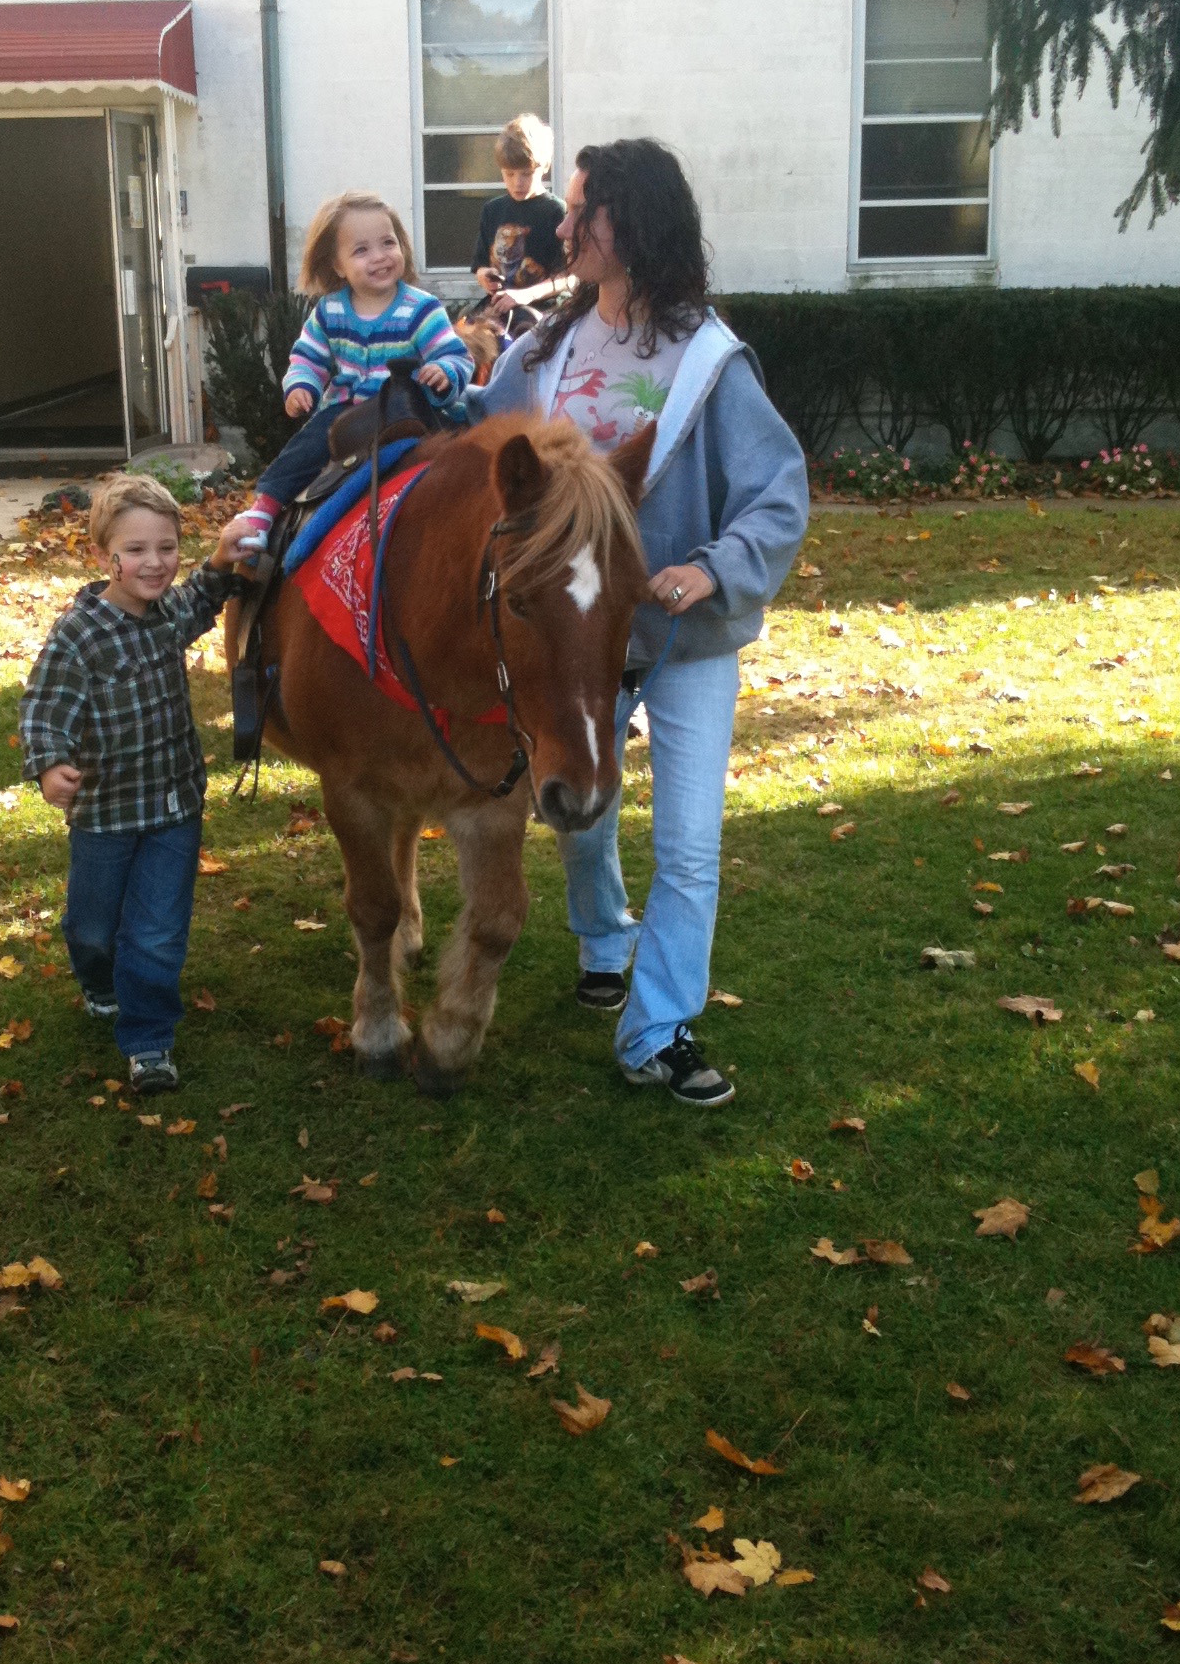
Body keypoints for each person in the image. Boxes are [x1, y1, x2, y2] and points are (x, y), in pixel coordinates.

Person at [470, 139, 809, 1107]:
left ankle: (657, 1026)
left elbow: (777, 496)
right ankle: (603, 940)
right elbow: (481, 443)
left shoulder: (709, 358)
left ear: (638, 224)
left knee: (691, 844)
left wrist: (714, 570)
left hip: (686, 640)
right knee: (582, 810)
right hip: (583, 639)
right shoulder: (548, 347)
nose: (564, 228)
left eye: (586, 214)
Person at [20, 472, 229, 1096]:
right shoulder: (80, 634)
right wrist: (50, 762)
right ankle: (98, 978)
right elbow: (44, 705)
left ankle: (149, 1043)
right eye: (136, 550)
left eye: (167, 548)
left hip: (173, 805)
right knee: (92, 926)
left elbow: (200, 600)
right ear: (104, 555)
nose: (155, 562)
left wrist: (221, 562)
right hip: (105, 814)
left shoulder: (167, 613)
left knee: (157, 932)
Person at [217, 193, 473, 561]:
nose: (381, 256)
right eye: (362, 250)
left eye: (389, 242)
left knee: (453, 454)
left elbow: (454, 355)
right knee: (308, 445)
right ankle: (266, 507)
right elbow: (307, 357)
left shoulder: (421, 308)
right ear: (337, 265)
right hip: (348, 411)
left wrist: (444, 373)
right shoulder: (330, 311)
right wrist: (301, 385)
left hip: (406, 408)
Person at [470, 113, 569, 324]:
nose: (517, 183)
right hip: (498, 309)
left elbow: (569, 277)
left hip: (543, 313)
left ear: (545, 167)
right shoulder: (492, 210)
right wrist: (485, 276)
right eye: (509, 174)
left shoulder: (556, 211)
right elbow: (480, 266)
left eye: (526, 174)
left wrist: (526, 295)